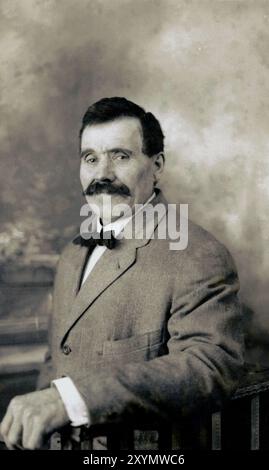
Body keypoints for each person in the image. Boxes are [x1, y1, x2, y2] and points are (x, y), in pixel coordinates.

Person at [0, 97, 244, 450]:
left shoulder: (197, 253)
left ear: (157, 164)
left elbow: (210, 366)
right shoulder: (72, 254)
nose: (102, 175)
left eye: (121, 156)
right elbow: (58, 359)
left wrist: (71, 400)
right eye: (91, 158)